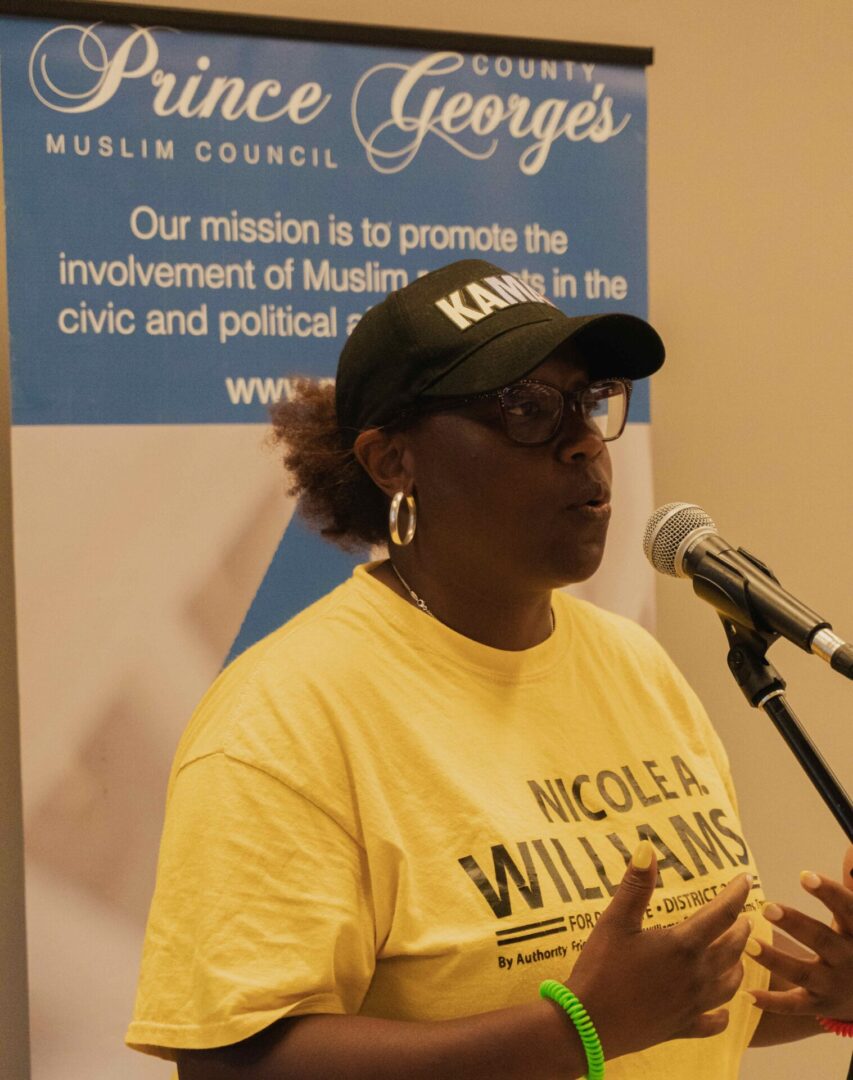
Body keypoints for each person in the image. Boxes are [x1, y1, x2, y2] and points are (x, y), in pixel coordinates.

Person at [126, 260, 853, 1079]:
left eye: (589, 399)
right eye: (526, 408)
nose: (582, 441)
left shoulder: (634, 665)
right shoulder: (285, 716)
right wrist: (574, 1031)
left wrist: (833, 990)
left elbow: (672, 1007)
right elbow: (229, 1065)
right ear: (392, 462)